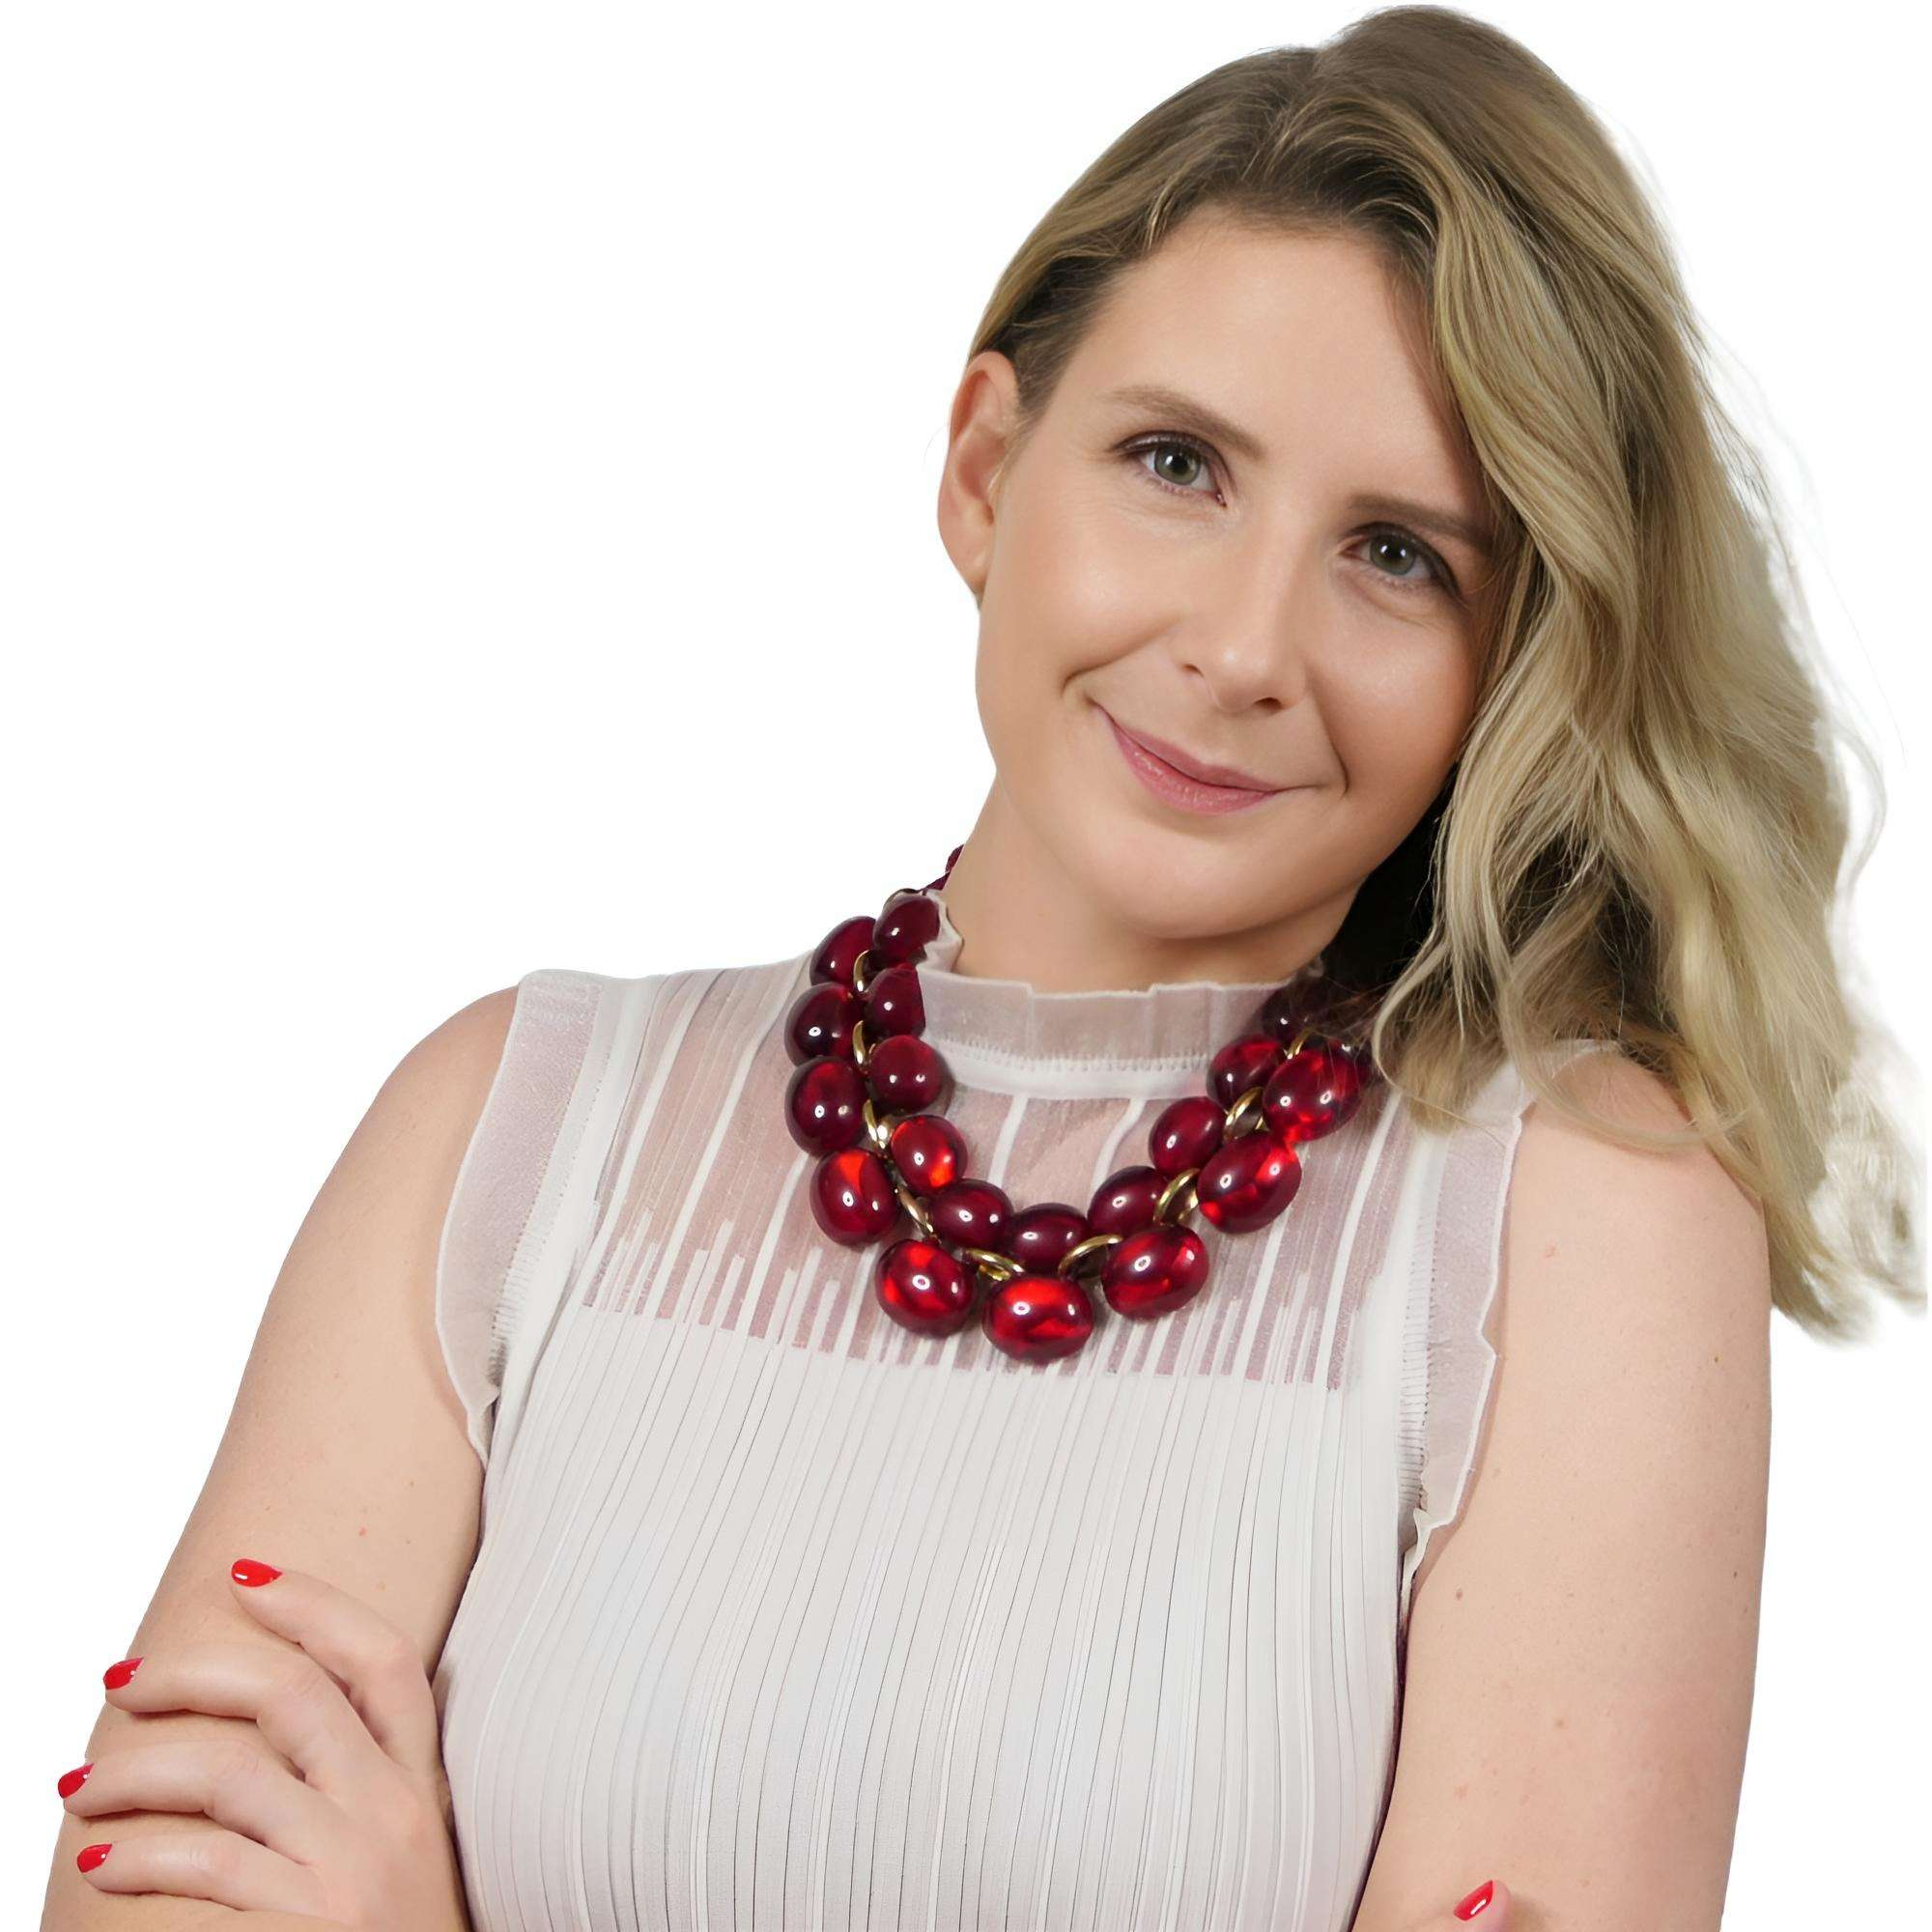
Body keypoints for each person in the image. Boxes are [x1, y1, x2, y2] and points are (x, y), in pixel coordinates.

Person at [41, 9, 1921, 1931]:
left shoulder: (1575, 1216)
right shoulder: (514, 1125)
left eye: (1397, 555)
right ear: (983, 469)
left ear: (1506, 662)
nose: (1243, 646)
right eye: (1176, 463)